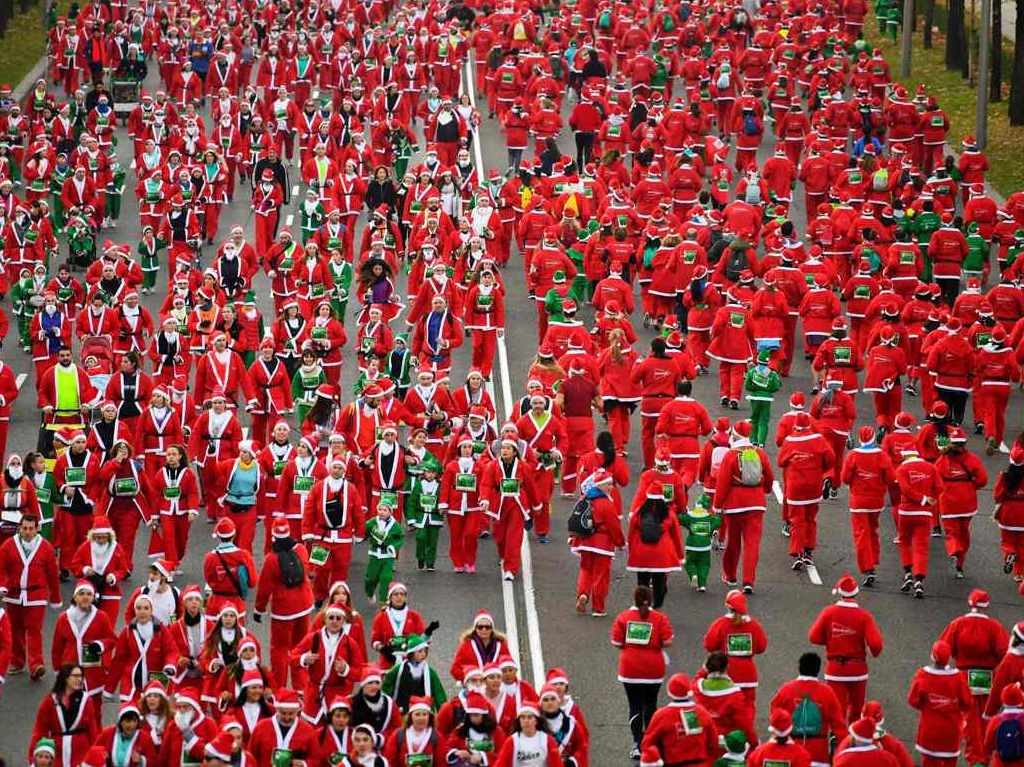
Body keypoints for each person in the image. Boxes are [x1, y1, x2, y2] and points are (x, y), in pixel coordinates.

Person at [808, 574, 885, 723]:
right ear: (856, 593)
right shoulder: (864, 616)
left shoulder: (828, 612)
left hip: (835, 669)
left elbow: (814, 637)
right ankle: (854, 736)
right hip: (858, 670)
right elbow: (876, 644)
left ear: (840, 593)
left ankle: (836, 736)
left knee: (837, 709)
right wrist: (874, 653)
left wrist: (832, 640)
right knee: (856, 710)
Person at [610, 586, 674, 761]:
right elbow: (667, 641)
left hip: (630, 669)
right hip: (653, 670)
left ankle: (637, 743)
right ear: (651, 600)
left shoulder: (623, 618)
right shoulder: (659, 618)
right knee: (651, 705)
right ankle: (651, 743)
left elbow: (616, 642)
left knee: (635, 706)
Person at [254, 519, 314, 689]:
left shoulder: (271, 559)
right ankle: (301, 688)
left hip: (283, 611)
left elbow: (264, 588)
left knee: (279, 650)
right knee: (300, 649)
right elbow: (308, 570)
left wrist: (259, 609)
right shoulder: (301, 550)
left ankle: (278, 688)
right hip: (304, 606)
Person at [0, 514, 61, 679]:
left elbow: (52, 575)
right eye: (24, 528)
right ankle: (17, 662)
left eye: (31, 528)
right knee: (15, 629)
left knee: (34, 630)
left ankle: (36, 665)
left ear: (37, 529)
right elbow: (2, 568)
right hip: (13, 594)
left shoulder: (46, 547)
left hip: (36, 594)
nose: (27, 532)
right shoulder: (8, 545)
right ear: (19, 528)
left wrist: (55, 597)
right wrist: (3, 585)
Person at [769, 652, 846, 766]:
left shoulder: (786, 690)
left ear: (799, 667)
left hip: (792, 754)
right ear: (818, 669)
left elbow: (775, 715)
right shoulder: (827, 692)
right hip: (819, 755)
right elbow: (839, 726)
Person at [908, 640, 973, 767]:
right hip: (951, 731)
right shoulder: (958, 678)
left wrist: (926, 707)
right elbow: (967, 702)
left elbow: (913, 700)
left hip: (929, 730)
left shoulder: (923, 675)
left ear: (933, 655)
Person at [571, 468, 625, 616]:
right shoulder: (606, 504)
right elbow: (614, 527)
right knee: (601, 575)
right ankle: (598, 607)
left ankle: (583, 594)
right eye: (608, 484)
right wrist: (620, 543)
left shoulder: (585, 499)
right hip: (603, 544)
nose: (611, 487)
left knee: (585, 570)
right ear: (601, 485)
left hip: (585, 541)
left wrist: (574, 538)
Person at [703, 590, 768, 705]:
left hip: (725, 673)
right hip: (748, 675)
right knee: (747, 709)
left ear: (728, 606)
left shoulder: (720, 624)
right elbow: (761, 647)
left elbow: (709, 645)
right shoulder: (754, 625)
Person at [639, 673, 718, 767]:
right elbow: (713, 742)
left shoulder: (662, 715)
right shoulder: (702, 712)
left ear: (669, 692)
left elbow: (647, 744)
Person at [29, 664, 101, 766]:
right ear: (65, 678)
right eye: (75, 676)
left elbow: (93, 730)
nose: (79, 679)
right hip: (57, 753)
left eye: (81, 676)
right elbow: (40, 731)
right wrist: (33, 759)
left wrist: (96, 755)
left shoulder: (87, 701)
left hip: (81, 753)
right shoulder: (49, 701)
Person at [493, 700, 562, 767]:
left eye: (530, 717)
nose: (526, 721)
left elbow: (557, 764)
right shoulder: (512, 741)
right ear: (519, 721)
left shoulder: (547, 740)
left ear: (536, 721)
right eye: (523, 717)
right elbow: (500, 763)